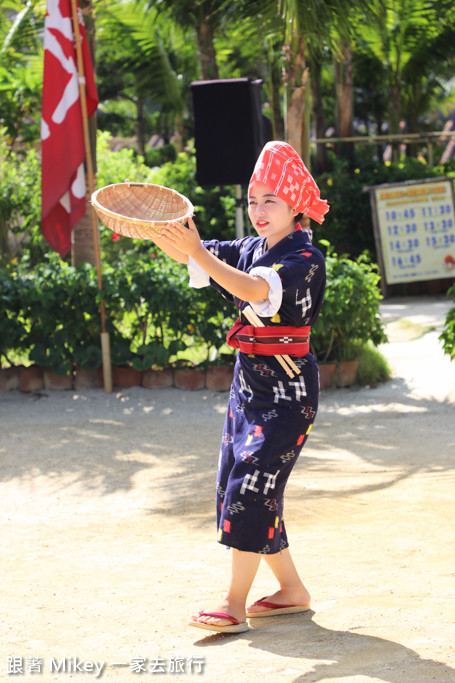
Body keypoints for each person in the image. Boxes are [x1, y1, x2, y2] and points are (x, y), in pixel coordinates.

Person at [154, 140, 329, 634]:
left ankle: (233, 603)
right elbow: (204, 258)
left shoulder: (306, 258)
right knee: (247, 486)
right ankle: (292, 590)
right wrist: (167, 237)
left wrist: (197, 253)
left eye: (270, 200)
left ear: (296, 205)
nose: (258, 211)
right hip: (246, 387)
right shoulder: (252, 247)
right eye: (253, 200)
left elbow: (254, 289)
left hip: (288, 396)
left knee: (250, 488)